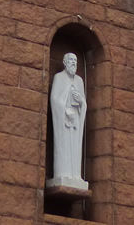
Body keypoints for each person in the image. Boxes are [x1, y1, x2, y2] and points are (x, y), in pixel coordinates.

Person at [48, 52, 88, 190]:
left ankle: (75, 175)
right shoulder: (58, 78)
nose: (73, 63)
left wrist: (80, 101)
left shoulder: (79, 81)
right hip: (63, 120)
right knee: (64, 146)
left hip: (76, 120)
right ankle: (62, 173)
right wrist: (64, 109)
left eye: (76, 61)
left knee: (75, 147)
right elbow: (54, 99)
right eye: (71, 60)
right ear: (65, 62)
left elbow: (84, 103)